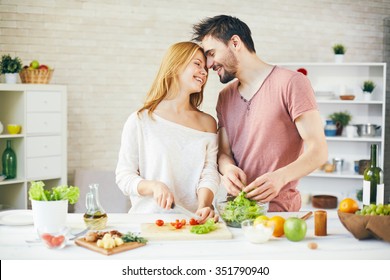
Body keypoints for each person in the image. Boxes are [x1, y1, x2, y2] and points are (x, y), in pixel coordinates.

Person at [192, 15, 328, 211]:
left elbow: (319, 150)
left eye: (212, 53)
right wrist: (227, 169)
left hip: (280, 214)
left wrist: (280, 178)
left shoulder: (292, 83)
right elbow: (224, 152)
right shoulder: (224, 97)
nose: (208, 64)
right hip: (237, 211)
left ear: (235, 42)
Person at [115, 41, 220, 222]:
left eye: (206, 69)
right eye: (197, 64)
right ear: (175, 65)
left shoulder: (208, 123)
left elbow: (209, 173)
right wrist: (153, 186)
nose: (204, 72)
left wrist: (204, 206)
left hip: (191, 223)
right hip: (148, 222)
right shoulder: (141, 120)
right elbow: (124, 176)